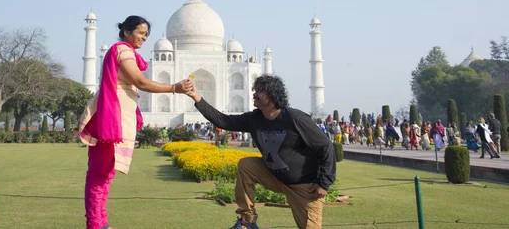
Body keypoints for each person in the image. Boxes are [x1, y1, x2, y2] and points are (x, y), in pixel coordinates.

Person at [77, 15, 193, 229]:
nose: (144, 37)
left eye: (146, 34)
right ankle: (95, 224)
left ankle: (101, 223)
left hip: (116, 117)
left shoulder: (125, 53)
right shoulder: (122, 51)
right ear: (126, 32)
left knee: (104, 175)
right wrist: (174, 88)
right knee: (98, 175)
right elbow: (141, 82)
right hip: (111, 117)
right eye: (140, 33)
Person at [182, 74, 336, 229]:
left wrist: (324, 183)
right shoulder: (255, 118)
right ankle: (247, 220)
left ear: (272, 96)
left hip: (304, 186)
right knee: (246, 165)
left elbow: (325, 147)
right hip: (276, 177)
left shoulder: (295, 118)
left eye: (260, 91)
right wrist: (196, 97)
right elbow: (223, 120)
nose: (254, 94)